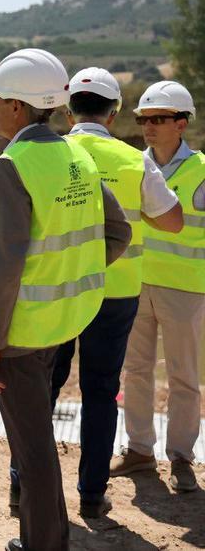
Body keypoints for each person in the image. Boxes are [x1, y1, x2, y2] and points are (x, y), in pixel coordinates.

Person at [0, 49, 131, 550]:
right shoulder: (77, 156)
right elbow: (118, 232)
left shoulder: (13, 165)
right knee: (37, 443)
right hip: (67, 319)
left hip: (23, 331)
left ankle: (44, 543)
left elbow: (4, 270)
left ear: (17, 106)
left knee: (33, 451)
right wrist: (73, 274)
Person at [21, 67, 183, 520]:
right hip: (115, 295)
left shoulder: (49, 155)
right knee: (100, 392)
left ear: (67, 111)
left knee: (43, 388)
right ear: (113, 115)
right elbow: (172, 221)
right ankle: (92, 496)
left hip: (56, 291)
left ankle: (23, 488)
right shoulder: (134, 161)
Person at [111, 81, 205, 493]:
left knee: (184, 376)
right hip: (136, 283)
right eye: (143, 119)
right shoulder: (134, 167)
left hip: (186, 289)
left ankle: (181, 457)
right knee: (135, 371)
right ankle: (139, 450)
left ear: (181, 124)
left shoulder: (202, 170)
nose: (148, 126)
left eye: (158, 119)